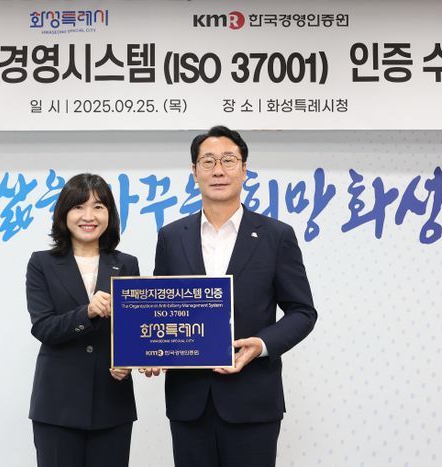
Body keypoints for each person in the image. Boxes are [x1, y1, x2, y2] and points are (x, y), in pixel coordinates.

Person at [144, 126, 318, 467]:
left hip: (253, 399)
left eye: (228, 160)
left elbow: (302, 311)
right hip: (189, 401)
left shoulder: (276, 235)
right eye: (208, 161)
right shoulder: (171, 236)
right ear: (194, 172)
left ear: (244, 169)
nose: (218, 170)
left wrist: (262, 345)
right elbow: (160, 307)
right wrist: (150, 349)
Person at [26, 173, 138, 467]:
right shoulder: (42, 263)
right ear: (64, 213)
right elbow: (43, 327)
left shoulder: (126, 264)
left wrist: (129, 361)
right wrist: (87, 312)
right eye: (79, 207)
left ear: (109, 215)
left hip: (112, 403)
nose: (89, 216)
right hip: (57, 405)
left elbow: (133, 330)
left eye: (98, 207)